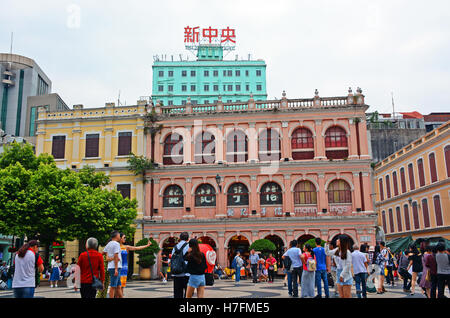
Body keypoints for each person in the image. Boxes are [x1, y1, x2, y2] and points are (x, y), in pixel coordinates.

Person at [103, 230, 123, 298]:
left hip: (111, 267)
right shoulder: (116, 244)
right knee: (113, 286)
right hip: (115, 267)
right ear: (116, 236)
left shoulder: (108, 244)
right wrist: (116, 269)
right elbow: (116, 256)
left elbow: (103, 253)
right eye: (119, 235)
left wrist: (110, 258)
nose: (120, 236)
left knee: (118, 286)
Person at [172, 232, 190, 298]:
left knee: (177, 293)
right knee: (188, 294)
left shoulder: (175, 247)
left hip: (176, 273)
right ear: (188, 238)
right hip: (186, 273)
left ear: (180, 238)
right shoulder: (189, 246)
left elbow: (172, 258)